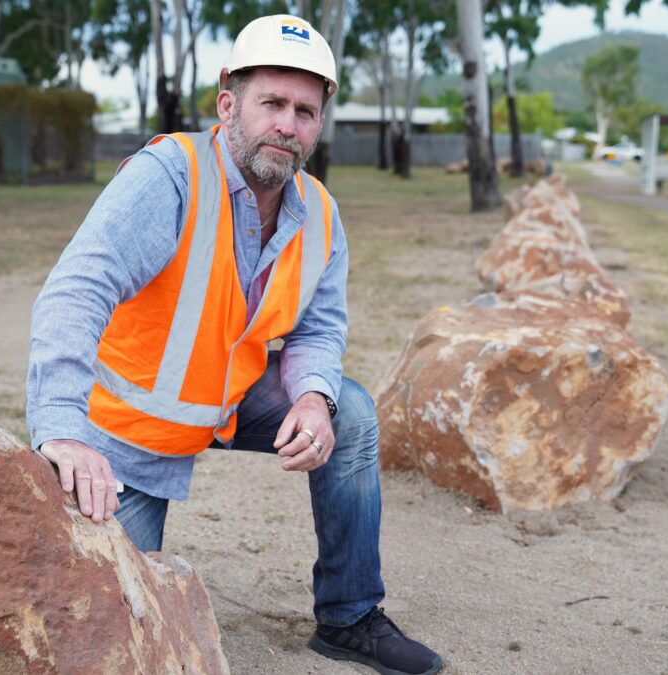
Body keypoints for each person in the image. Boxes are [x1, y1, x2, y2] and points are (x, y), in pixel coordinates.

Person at [26, 14, 442, 675]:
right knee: (118, 639)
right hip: (126, 435)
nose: (288, 123)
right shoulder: (171, 175)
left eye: (305, 110)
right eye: (272, 103)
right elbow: (75, 293)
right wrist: (62, 431)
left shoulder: (319, 213)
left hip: (227, 396)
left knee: (349, 411)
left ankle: (351, 616)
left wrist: (309, 396)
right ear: (228, 105)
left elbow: (317, 328)